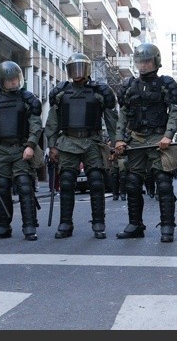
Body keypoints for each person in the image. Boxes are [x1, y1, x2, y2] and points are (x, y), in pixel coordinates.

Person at [45, 53, 118, 239]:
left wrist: (116, 143)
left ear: (86, 69)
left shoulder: (100, 92)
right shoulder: (61, 93)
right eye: (73, 68)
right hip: (68, 141)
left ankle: (98, 223)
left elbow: (111, 121)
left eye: (80, 67)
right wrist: (52, 146)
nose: (77, 72)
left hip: (92, 141)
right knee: (67, 181)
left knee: (96, 180)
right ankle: (65, 223)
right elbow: (52, 123)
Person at [114, 43, 177, 242]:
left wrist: (168, 135)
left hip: (159, 138)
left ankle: (167, 227)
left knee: (163, 183)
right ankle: (135, 224)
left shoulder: (166, 84)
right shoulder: (129, 86)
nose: (142, 65)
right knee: (133, 182)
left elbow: (174, 111)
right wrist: (119, 139)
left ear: (156, 62)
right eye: (140, 62)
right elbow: (123, 115)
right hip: (135, 139)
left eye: (147, 61)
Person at [0, 61, 43, 241]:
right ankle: (3, 226)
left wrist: (30, 145)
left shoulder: (27, 99)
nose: (14, 82)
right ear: (1, 81)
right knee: (2, 187)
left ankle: (29, 226)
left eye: (16, 79)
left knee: (23, 184)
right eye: (10, 80)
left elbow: (35, 125)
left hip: (21, 147)